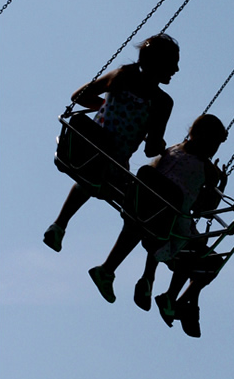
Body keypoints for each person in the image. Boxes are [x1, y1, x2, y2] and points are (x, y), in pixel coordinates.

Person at [88, 113, 228, 339]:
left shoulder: (173, 149)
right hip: (171, 218)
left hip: (144, 203)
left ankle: (113, 270)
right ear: (203, 138)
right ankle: (168, 294)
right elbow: (205, 208)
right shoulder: (209, 170)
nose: (215, 151)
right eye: (215, 144)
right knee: (191, 244)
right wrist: (220, 184)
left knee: (146, 223)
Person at [43, 33, 180, 253]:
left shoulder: (121, 75)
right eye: (173, 64)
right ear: (160, 63)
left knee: (91, 172)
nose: (176, 70)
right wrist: (162, 147)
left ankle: (60, 224)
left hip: (86, 150)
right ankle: (116, 265)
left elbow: (78, 96)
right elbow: (151, 148)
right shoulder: (162, 102)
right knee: (139, 210)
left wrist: (107, 106)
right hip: (114, 166)